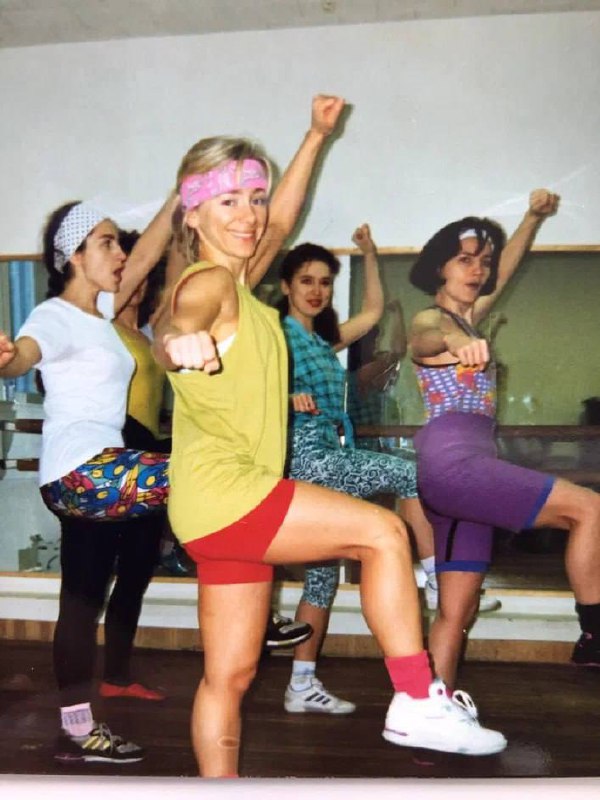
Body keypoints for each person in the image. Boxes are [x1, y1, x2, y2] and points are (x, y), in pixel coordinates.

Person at [152, 95, 507, 778]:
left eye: (255, 197)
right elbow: (177, 322)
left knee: (229, 676)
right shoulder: (207, 284)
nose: (249, 214)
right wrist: (177, 342)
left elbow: (282, 220)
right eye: (228, 201)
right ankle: (415, 698)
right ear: (191, 212)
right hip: (231, 493)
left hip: (209, 506)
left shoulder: (243, 284)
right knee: (383, 533)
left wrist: (315, 136)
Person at [0, 194, 178, 763]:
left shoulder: (100, 313)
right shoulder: (53, 316)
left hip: (96, 477)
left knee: (81, 601)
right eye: (106, 243)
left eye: (118, 243)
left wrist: (182, 193)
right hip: (84, 470)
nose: (120, 253)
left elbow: (147, 254)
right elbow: (24, 355)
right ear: (73, 256)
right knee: (203, 472)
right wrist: (6, 359)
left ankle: (76, 733)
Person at [408, 188, 600, 690]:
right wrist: (456, 342)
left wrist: (532, 218)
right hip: (456, 464)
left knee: (456, 611)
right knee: (590, 509)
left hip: (449, 477)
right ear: (440, 268)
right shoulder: (436, 319)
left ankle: (428, 708)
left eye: (483, 262)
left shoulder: (469, 316)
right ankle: (595, 635)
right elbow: (425, 336)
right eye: (465, 260)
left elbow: (506, 270)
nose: (477, 270)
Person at [276, 229, 436, 715]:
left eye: (325, 282)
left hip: (326, 450)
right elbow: (245, 385)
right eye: (306, 280)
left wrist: (368, 254)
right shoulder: (275, 335)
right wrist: (283, 397)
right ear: (286, 286)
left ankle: (301, 685)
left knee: (321, 579)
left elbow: (371, 312)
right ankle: (436, 578)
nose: (317, 291)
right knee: (407, 474)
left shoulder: (321, 340)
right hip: (304, 455)